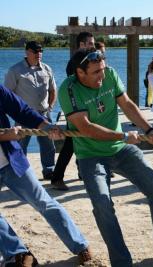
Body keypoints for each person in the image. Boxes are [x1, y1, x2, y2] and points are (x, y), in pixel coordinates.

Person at [58, 49, 153, 267]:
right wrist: (124, 135)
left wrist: (149, 129)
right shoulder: (68, 89)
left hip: (121, 149)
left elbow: (128, 105)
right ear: (80, 72)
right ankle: (121, 261)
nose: (101, 76)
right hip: (91, 155)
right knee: (103, 204)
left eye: (102, 70)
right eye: (95, 72)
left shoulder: (111, 74)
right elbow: (85, 128)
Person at [0, 84, 91, 267]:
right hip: (7, 145)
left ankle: (81, 246)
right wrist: (5, 136)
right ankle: (19, 253)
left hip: (12, 162)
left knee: (43, 202)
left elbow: (22, 110)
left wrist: (47, 126)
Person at [4, 41, 57, 181]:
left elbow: (53, 90)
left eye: (41, 51)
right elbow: (6, 96)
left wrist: (50, 106)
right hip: (24, 116)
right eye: (35, 51)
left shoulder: (47, 69)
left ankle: (49, 170)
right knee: (20, 145)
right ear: (27, 52)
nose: (38, 54)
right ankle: (20, 172)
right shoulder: (15, 70)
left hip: (44, 114)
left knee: (48, 145)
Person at [52, 32, 96, 191]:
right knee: (71, 143)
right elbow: (75, 87)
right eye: (90, 43)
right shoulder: (74, 63)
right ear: (82, 45)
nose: (93, 46)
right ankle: (57, 178)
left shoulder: (90, 60)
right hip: (76, 109)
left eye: (93, 43)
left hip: (86, 107)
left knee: (81, 140)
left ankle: (82, 172)